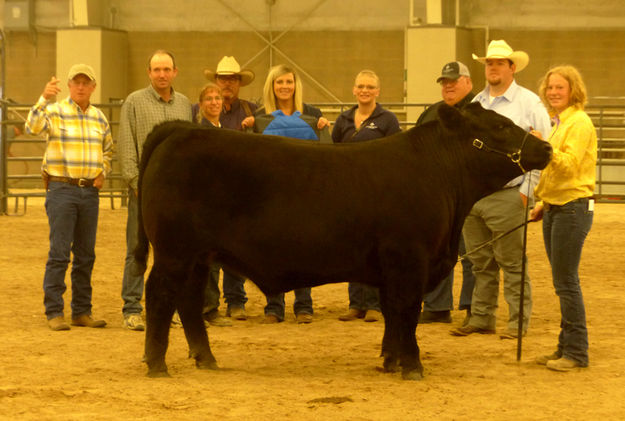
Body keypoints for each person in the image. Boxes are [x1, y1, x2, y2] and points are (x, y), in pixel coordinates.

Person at [450, 40, 551, 339]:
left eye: (499, 63)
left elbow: (542, 148)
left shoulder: (529, 103)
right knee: (480, 261)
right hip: (476, 195)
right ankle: (482, 316)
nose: (493, 68)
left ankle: (518, 322)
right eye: (489, 63)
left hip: (510, 193)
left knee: (512, 262)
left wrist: (527, 191)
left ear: (512, 67)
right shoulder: (476, 105)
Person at [26, 64, 113, 331]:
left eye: (86, 83)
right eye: (76, 82)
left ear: (93, 87)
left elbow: (108, 150)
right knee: (60, 253)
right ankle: (54, 311)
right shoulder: (55, 111)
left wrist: (103, 172)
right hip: (61, 189)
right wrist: (44, 98)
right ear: (69, 84)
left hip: (89, 191)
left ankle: (81, 311)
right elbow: (31, 127)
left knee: (86, 255)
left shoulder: (100, 117)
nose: (81, 87)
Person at [118, 50, 192, 331]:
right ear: (148, 73)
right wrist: (137, 184)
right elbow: (127, 145)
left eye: (166, 69)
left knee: (171, 251)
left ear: (175, 72)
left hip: (176, 195)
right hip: (145, 190)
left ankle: (167, 306)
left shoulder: (184, 104)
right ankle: (132, 307)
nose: (162, 74)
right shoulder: (134, 102)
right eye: (156, 69)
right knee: (137, 248)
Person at [530, 65, 596, 371]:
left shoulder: (578, 123)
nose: (553, 92)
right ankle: (564, 347)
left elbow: (568, 166)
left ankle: (577, 352)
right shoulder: (560, 124)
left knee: (566, 281)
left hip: (572, 207)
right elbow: (555, 171)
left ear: (573, 91)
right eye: (550, 87)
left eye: (560, 87)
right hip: (556, 206)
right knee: (562, 281)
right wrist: (543, 200)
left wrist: (543, 146)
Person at [253, 64, 330, 323]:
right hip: (272, 194)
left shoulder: (312, 114)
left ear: (295, 85)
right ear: (271, 86)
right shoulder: (259, 116)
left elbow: (326, 154)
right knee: (274, 249)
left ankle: (304, 305)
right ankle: (274, 306)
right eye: (279, 82)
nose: (284, 87)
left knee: (305, 247)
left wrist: (322, 127)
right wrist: (248, 128)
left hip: (304, 193)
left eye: (288, 82)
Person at [332, 69, 401, 323]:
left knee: (375, 250)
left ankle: (374, 304)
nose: (364, 90)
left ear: (377, 92)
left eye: (370, 87)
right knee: (352, 248)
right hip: (349, 194)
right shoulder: (343, 120)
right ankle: (356, 303)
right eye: (360, 86)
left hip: (377, 194)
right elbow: (334, 155)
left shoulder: (388, 120)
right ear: (354, 90)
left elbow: (396, 155)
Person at [415, 61, 476, 324]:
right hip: (435, 197)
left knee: (473, 252)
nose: (448, 86)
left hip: (471, 195)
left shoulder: (479, 113)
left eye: (454, 80)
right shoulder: (431, 114)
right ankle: (438, 306)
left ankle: (475, 306)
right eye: (444, 82)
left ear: (468, 83)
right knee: (438, 251)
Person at [198, 56, 258, 320]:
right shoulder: (197, 114)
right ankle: (210, 304)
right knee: (210, 250)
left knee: (236, 249)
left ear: (239, 83)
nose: (227, 84)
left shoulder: (251, 110)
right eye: (223, 79)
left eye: (232, 79)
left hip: (239, 191)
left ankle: (236, 300)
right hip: (210, 192)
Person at [191, 82, 233, 327]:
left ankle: (211, 307)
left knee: (214, 259)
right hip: (203, 202)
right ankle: (204, 308)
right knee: (202, 259)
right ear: (201, 104)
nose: (214, 102)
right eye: (209, 99)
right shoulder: (199, 132)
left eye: (217, 98)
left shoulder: (223, 130)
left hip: (220, 202)